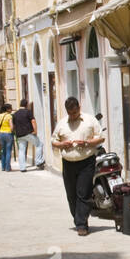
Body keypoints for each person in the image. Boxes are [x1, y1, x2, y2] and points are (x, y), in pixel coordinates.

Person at [51, 96, 104, 236]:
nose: (73, 116)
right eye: (70, 113)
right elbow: (54, 141)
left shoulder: (90, 120)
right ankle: (78, 219)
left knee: (83, 193)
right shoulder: (62, 123)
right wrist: (62, 144)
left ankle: (82, 224)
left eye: (74, 113)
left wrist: (87, 143)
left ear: (79, 108)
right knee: (71, 195)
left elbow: (100, 137)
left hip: (86, 161)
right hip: (68, 163)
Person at [13, 100, 43, 170]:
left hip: (19, 134)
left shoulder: (15, 114)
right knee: (39, 144)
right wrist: (35, 130)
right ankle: (38, 161)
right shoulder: (28, 112)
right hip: (28, 133)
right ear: (26, 105)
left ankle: (22, 168)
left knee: (21, 150)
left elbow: (14, 125)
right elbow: (33, 121)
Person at [0, 103, 15, 172]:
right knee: (8, 151)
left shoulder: (0, 116)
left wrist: (1, 130)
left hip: (1, 134)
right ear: (8, 109)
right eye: (10, 108)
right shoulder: (9, 116)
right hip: (8, 134)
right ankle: (7, 167)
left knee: (3, 151)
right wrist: (11, 130)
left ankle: (3, 167)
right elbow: (11, 126)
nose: (11, 109)